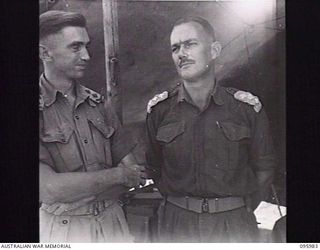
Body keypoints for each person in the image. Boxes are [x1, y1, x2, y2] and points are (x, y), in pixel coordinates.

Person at [146, 16, 275, 242]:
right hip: (176, 224)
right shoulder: (160, 111)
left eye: (190, 44)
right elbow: (155, 168)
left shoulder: (245, 108)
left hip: (233, 224)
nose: (181, 54)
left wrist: (234, 210)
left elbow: (264, 170)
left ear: (214, 50)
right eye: (175, 48)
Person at [39, 10, 147, 242]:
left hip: (113, 225)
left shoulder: (99, 104)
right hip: (64, 231)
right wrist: (117, 175)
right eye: (76, 47)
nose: (87, 55)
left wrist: (75, 188)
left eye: (86, 46)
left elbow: (135, 174)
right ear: (44, 53)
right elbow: (47, 189)